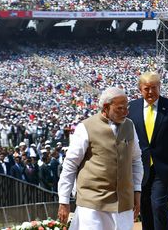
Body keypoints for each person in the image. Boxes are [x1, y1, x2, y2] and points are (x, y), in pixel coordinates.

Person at [57, 87, 143, 230]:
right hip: (93, 205)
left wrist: (137, 190)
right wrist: (64, 201)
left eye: (126, 108)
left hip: (123, 204)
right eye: (120, 109)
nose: (126, 112)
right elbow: (70, 165)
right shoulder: (85, 127)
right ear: (106, 107)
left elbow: (136, 160)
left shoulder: (129, 125)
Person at [127, 72, 168, 230]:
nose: (150, 92)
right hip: (140, 167)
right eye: (146, 88)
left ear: (159, 87)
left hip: (163, 167)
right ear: (140, 89)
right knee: (145, 206)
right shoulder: (131, 108)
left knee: (158, 204)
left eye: (154, 88)